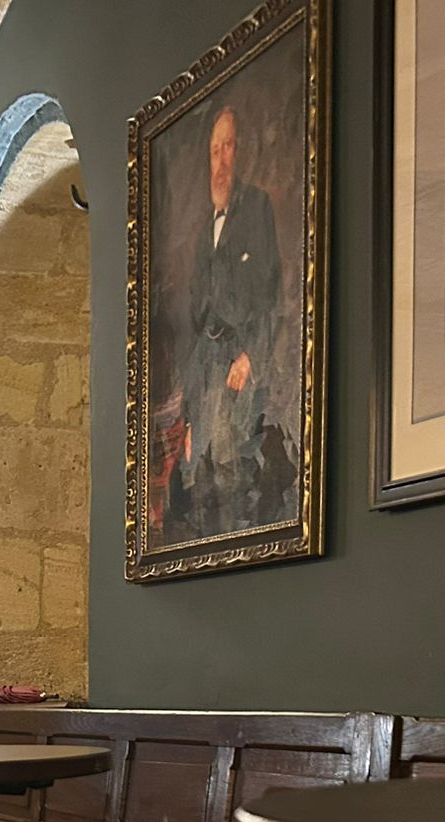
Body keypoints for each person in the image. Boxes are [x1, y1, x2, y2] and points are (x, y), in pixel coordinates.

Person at [175, 104, 285, 539]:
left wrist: (250, 357)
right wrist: (187, 414)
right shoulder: (204, 231)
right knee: (198, 467)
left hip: (238, 357)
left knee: (233, 462)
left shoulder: (256, 207)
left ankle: (238, 542)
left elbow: (270, 293)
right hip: (206, 363)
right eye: (214, 149)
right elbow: (196, 320)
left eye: (228, 148)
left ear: (240, 153)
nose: (220, 160)